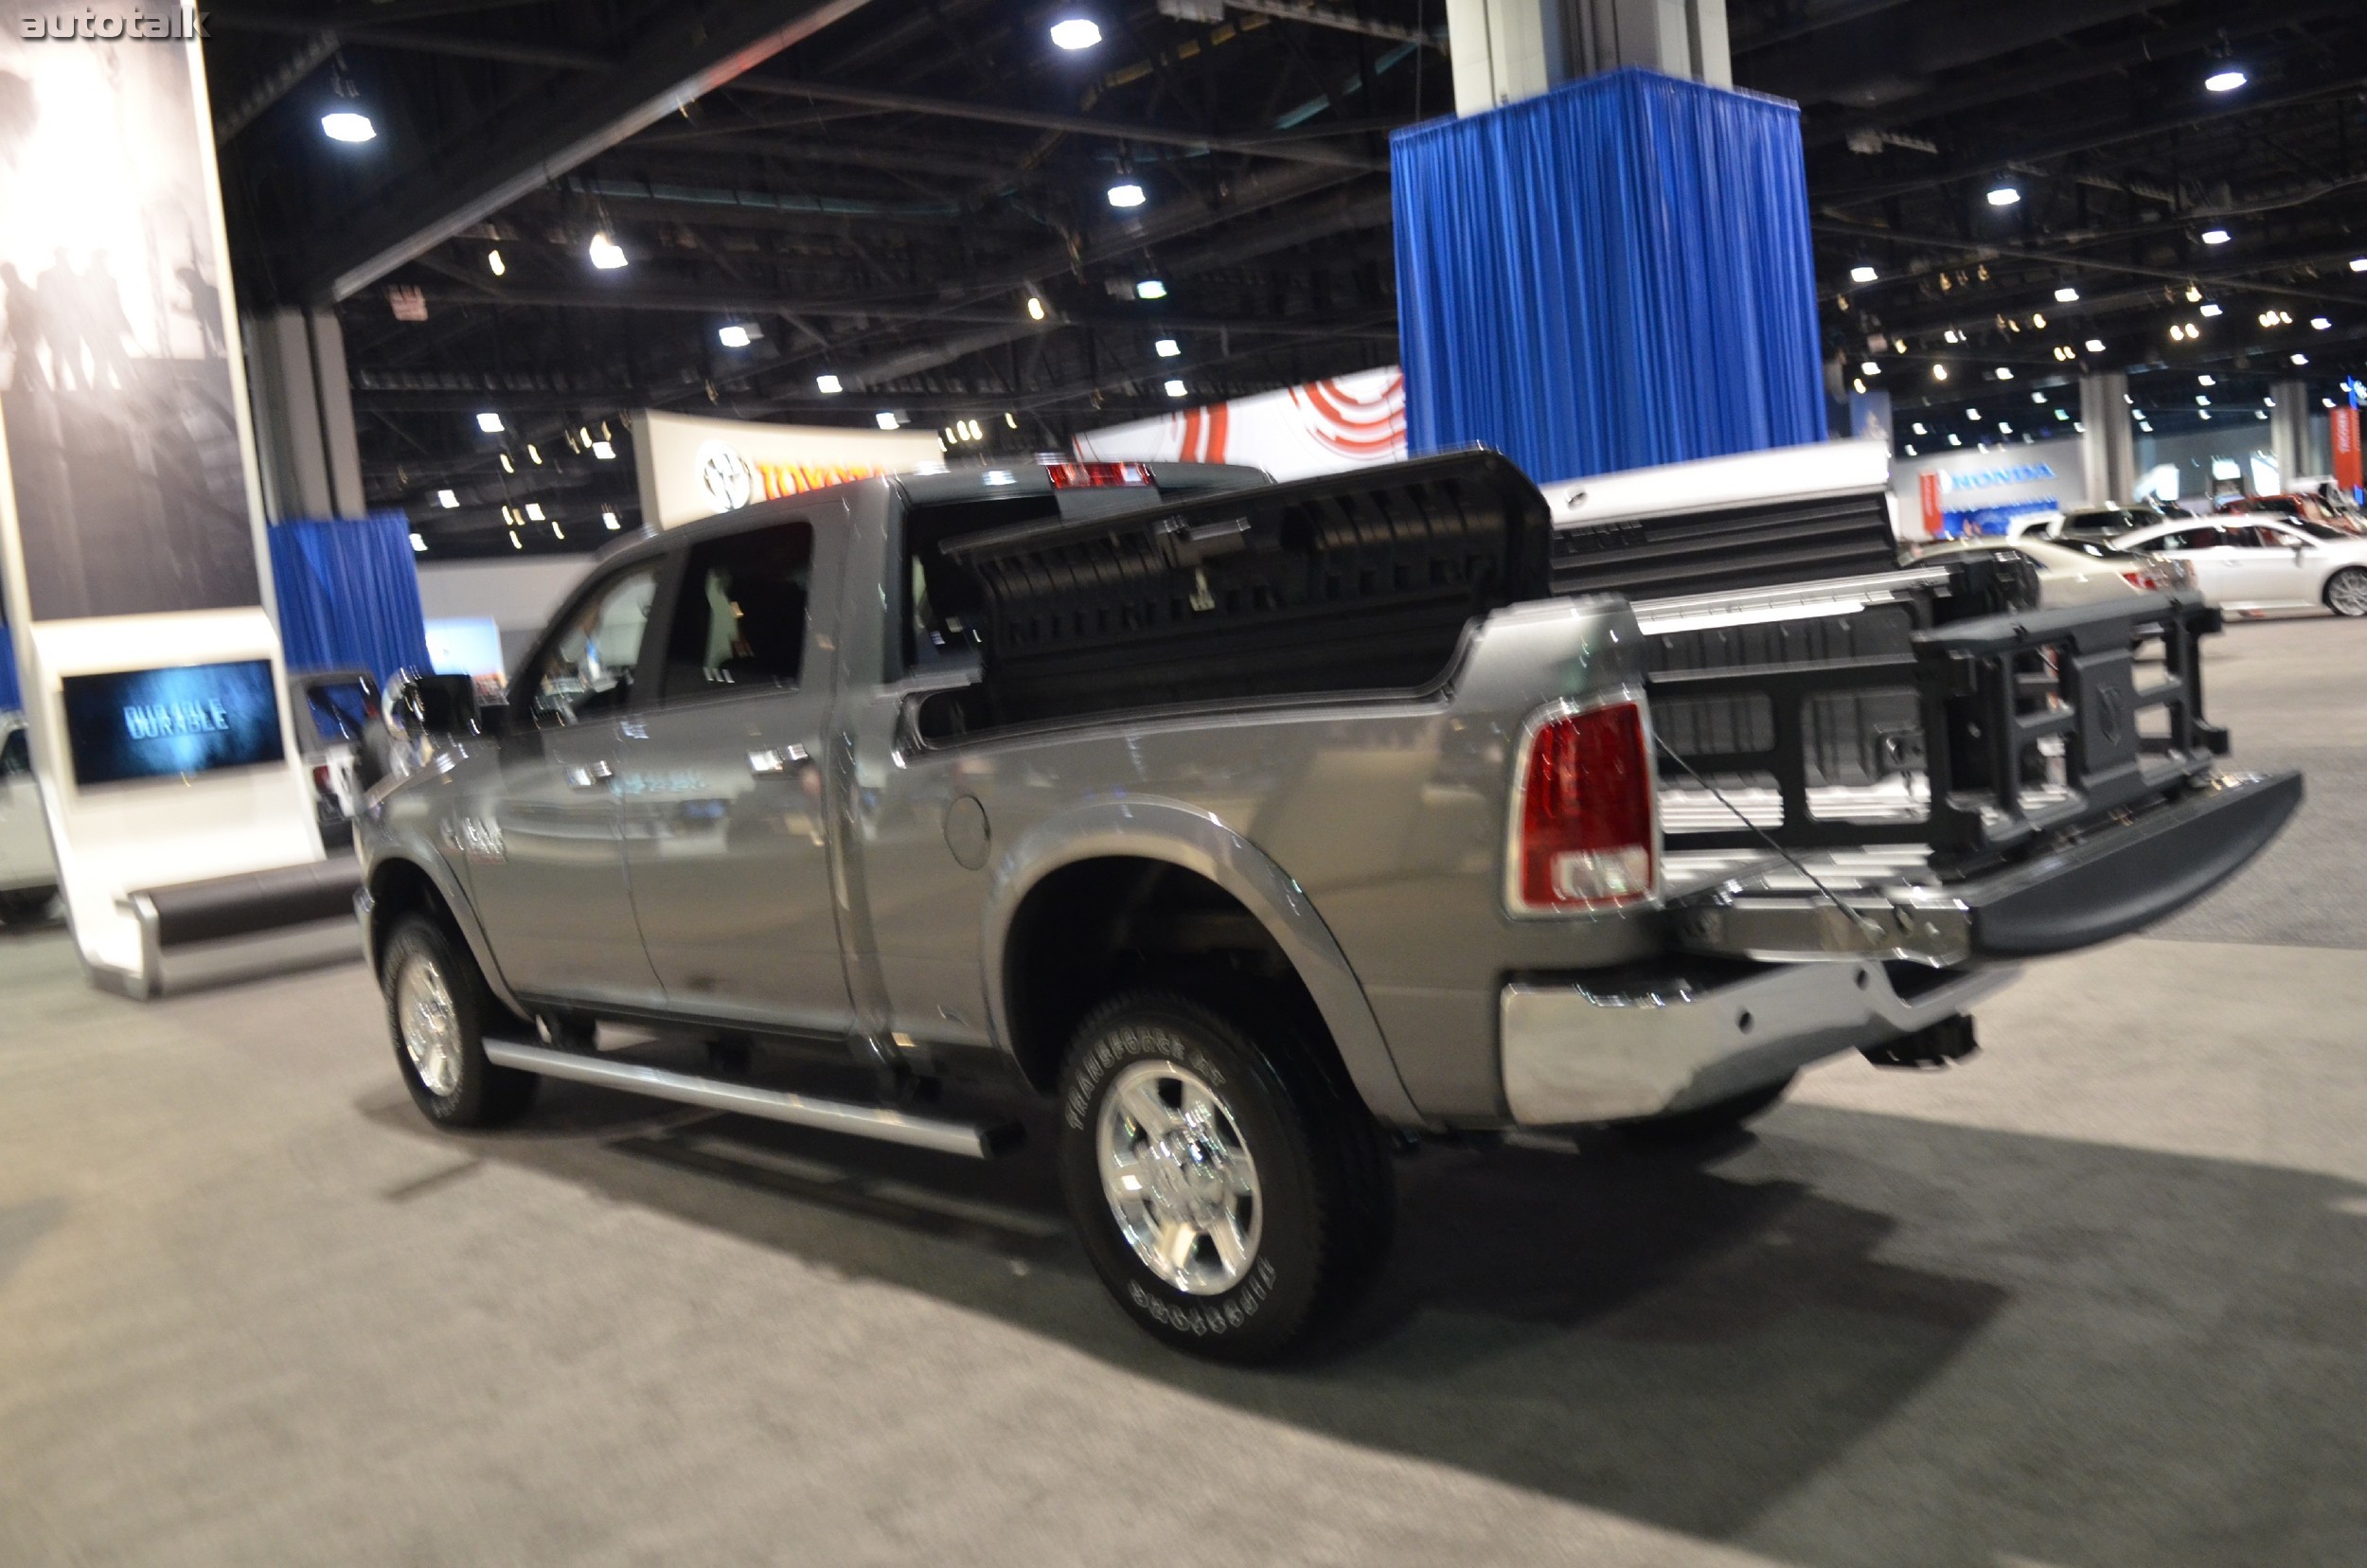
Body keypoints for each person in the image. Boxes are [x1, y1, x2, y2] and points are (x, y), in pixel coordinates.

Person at [0, 260, 42, 390]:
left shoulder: (20, 291)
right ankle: (25, 385)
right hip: (21, 332)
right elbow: (12, 316)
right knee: (25, 358)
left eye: (5, 276)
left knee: (25, 358)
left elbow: (30, 312)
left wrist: (33, 330)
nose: (4, 280)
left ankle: (24, 385)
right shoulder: (15, 292)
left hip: (25, 332)